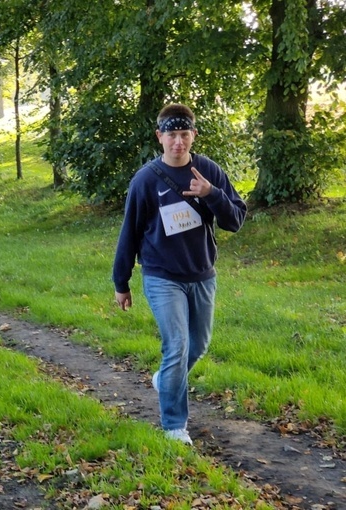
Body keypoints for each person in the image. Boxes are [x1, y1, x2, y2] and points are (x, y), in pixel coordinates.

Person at [112, 103, 247, 445]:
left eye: (184, 134)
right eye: (171, 135)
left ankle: (165, 380)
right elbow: (129, 232)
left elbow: (235, 220)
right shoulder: (145, 180)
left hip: (202, 273)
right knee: (177, 345)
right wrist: (121, 282)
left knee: (198, 345)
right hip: (161, 275)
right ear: (160, 136)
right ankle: (174, 426)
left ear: (193, 135)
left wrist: (212, 194)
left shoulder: (208, 172)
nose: (178, 142)